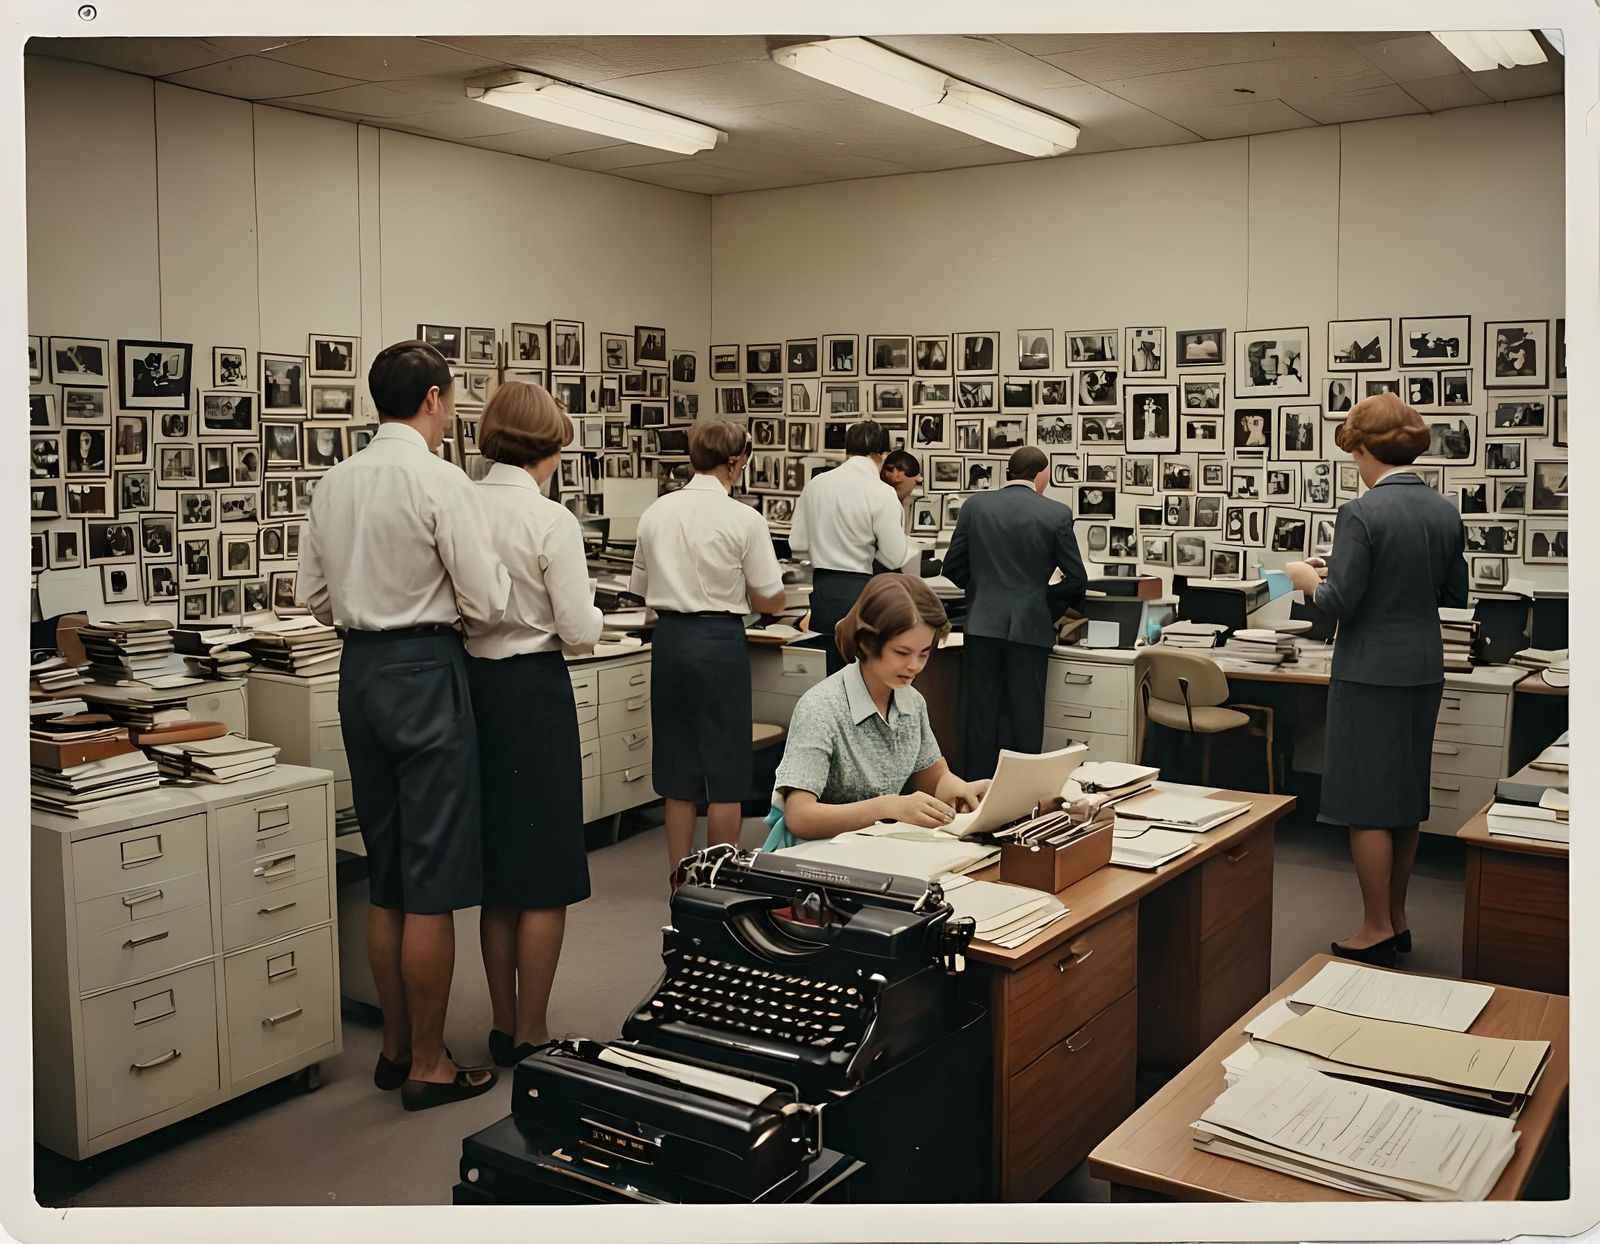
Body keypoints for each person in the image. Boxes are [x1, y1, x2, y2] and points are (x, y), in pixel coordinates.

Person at [297, 340, 510, 1111]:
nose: (453, 410)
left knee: (387, 868)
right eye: (452, 397)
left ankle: (392, 1047)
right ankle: (429, 1063)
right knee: (434, 880)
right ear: (430, 398)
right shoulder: (439, 479)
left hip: (360, 675)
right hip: (426, 671)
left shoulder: (335, 481)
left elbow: (315, 598)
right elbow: (485, 604)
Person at [1283, 393, 1468, 969]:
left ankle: (1373, 926)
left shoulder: (1361, 511)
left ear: (1364, 450)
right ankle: (1399, 917)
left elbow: (1339, 602)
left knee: (1365, 802)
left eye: (1354, 453)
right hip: (1422, 667)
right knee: (1405, 798)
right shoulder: (1444, 510)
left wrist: (1302, 576)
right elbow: (1452, 595)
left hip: (1369, 671)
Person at [465, 381, 603, 1068]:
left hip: (473, 692)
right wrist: (602, 614)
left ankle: (498, 1021)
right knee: (544, 871)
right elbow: (578, 632)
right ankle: (533, 1030)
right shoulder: (550, 520)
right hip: (535, 691)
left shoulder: (458, 502)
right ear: (549, 448)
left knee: (499, 873)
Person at [631, 420, 786, 881]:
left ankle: (679, 876)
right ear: (736, 462)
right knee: (726, 770)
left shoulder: (656, 512)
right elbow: (770, 598)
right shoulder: (745, 519)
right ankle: (717, 880)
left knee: (677, 767)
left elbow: (641, 587)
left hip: (671, 641)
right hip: (719, 643)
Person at [772, 576, 990, 840]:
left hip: (878, 851)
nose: (915, 666)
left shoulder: (912, 701)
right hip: (818, 860)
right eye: (902, 652)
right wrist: (887, 807)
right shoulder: (821, 708)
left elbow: (931, 776)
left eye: (924, 652)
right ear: (866, 642)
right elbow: (800, 817)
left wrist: (957, 788)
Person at [944, 446, 1087, 778]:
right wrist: (1041, 602)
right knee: (1025, 717)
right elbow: (1076, 580)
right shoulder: (1056, 513)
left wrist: (981, 592)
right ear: (1039, 474)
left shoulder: (975, 506)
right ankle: (1022, 795)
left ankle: (974, 792)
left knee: (980, 716)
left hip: (981, 625)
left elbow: (953, 566)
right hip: (1030, 629)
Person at [788, 420, 909, 673]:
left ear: (847, 450)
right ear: (881, 453)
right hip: (860, 593)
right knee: (860, 679)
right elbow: (894, 557)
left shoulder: (816, 485)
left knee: (828, 678)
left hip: (821, 592)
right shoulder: (881, 492)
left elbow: (797, 545)